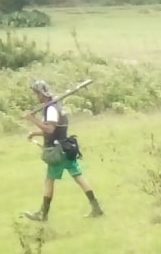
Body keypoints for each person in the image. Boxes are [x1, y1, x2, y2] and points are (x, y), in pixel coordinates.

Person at [23, 78, 103, 222]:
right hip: (65, 147)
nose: (36, 97)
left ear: (42, 93)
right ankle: (96, 207)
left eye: (37, 94)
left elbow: (50, 129)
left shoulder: (52, 108)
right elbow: (54, 130)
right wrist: (35, 133)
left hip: (57, 150)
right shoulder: (54, 106)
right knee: (78, 177)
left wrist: (32, 119)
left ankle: (43, 214)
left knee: (49, 180)